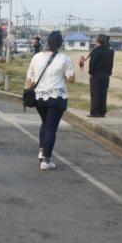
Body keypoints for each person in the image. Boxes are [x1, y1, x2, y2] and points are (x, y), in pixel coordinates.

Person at [25, 31, 75, 171]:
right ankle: (46, 160)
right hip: (56, 97)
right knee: (51, 128)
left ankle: (42, 151)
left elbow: (30, 78)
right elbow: (71, 79)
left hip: (39, 98)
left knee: (45, 123)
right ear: (60, 44)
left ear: (47, 42)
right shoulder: (64, 59)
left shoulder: (36, 57)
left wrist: (29, 90)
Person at [88, 33, 114, 118]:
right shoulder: (110, 51)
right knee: (103, 94)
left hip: (96, 74)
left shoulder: (96, 50)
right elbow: (111, 63)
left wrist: (91, 73)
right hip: (105, 75)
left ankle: (95, 112)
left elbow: (92, 63)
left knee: (95, 94)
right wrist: (109, 73)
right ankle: (102, 112)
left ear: (98, 40)